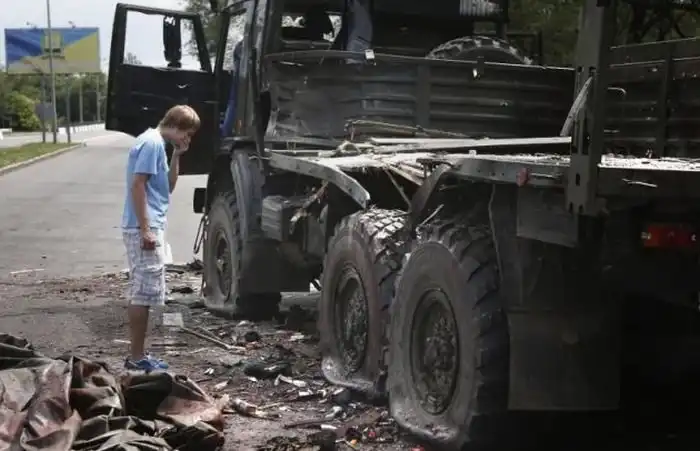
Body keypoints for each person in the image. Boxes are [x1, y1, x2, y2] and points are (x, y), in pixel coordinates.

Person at [121, 105, 200, 372]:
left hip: (151, 224)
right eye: (187, 133)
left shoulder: (158, 145)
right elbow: (138, 184)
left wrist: (177, 155)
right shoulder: (152, 143)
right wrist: (145, 229)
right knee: (142, 294)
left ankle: (139, 354)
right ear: (176, 126)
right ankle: (136, 357)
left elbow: (168, 188)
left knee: (145, 292)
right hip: (144, 226)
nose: (187, 139)